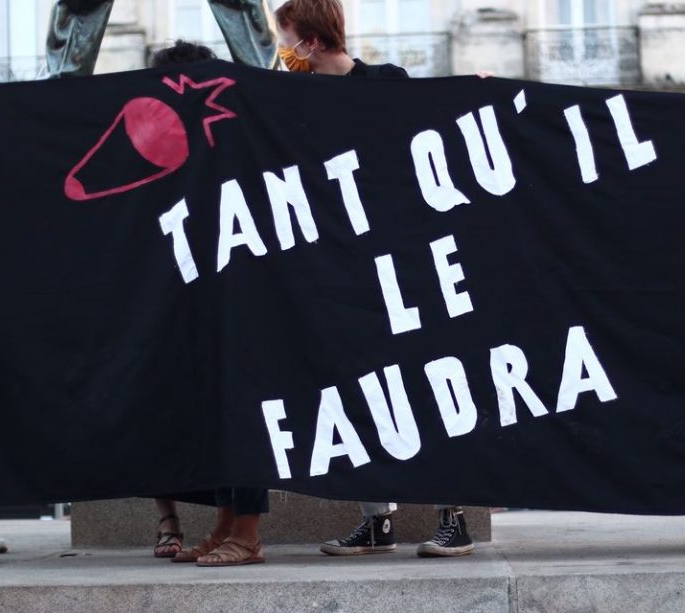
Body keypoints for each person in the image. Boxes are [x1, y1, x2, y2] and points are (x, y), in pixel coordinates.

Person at [273, 0, 474, 558]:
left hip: (402, 262)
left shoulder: (387, 82)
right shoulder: (291, 95)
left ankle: (452, 516)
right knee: (358, 386)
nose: (281, 49)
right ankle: (376, 518)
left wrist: (477, 91)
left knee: (428, 382)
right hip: (341, 267)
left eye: (286, 38)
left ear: (310, 42)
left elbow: (431, 124)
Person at [148, 40, 268, 567]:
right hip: (203, 293)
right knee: (219, 413)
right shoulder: (176, 138)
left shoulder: (231, 128)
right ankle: (225, 526)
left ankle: (248, 532)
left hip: (245, 292)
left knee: (243, 410)